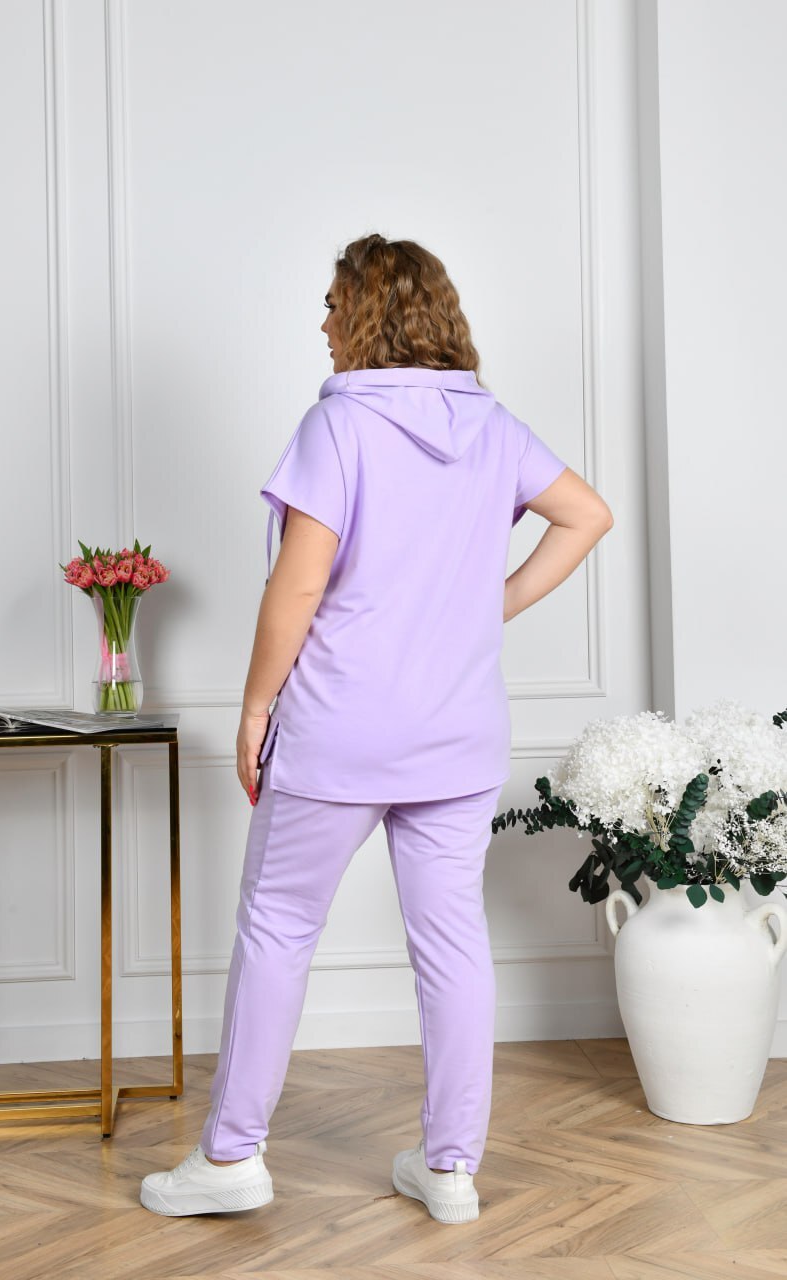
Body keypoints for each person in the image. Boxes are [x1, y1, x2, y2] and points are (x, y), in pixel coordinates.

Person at [140, 233, 613, 1225]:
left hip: (340, 731)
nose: (320, 321)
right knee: (452, 944)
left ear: (367, 314)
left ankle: (230, 1157)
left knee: (278, 929)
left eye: (331, 303)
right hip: (457, 733)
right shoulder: (492, 427)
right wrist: (486, 606)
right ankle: (450, 1168)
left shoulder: (339, 424)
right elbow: (585, 515)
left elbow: (297, 585)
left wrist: (255, 706)